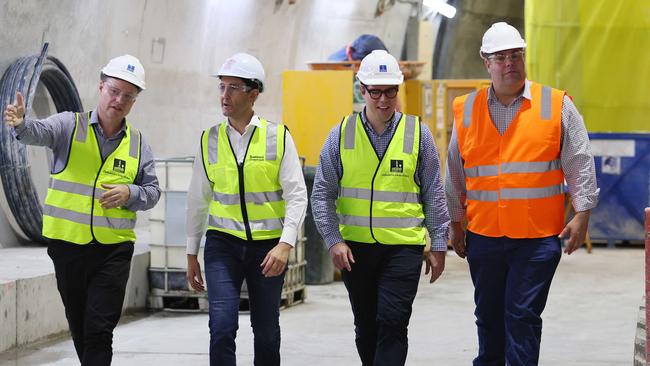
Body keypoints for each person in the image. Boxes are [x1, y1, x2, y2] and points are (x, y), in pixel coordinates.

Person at [445, 22, 599, 365]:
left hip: (537, 237)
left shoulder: (555, 104)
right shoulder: (466, 110)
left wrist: (582, 213)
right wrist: (455, 222)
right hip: (484, 235)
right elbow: (455, 170)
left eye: (516, 55)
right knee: (488, 316)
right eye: (501, 57)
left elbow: (579, 159)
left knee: (521, 316)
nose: (510, 62)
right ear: (486, 62)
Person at [3, 54, 160, 366]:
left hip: (113, 250)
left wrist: (131, 192)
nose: (119, 100)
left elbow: (153, 192)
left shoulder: (138, 144)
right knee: (81, 325)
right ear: (101, 87)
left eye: (128, 95)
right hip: (68, 248)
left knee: (100, 329)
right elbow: (37, 132)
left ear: (134, 101)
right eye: (114, 91)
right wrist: (21, 124)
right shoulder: (68, 126)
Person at [311, 49, 450, 366]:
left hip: (403, 249)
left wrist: (439, 244)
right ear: (362, 89)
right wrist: (333, 240)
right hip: (355, 251)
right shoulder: (341, 135)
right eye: (376, 92)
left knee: (392, 323)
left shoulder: (418, 134)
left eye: (391, 91)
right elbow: (321, 193)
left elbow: (434, 193)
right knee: (366, 327)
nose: (384, 100)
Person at [185, 52, 307, 366]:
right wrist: (190, 253)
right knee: (222, 326)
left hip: (268, 248)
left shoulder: (278, 138)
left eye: (233, 88)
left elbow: (297, 195)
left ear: (253, 94)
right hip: (222, 244)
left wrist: (285, 244)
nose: (224, 95)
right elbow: (197, 199)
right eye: (221, 87)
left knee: (266, 331)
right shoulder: (209, 140)